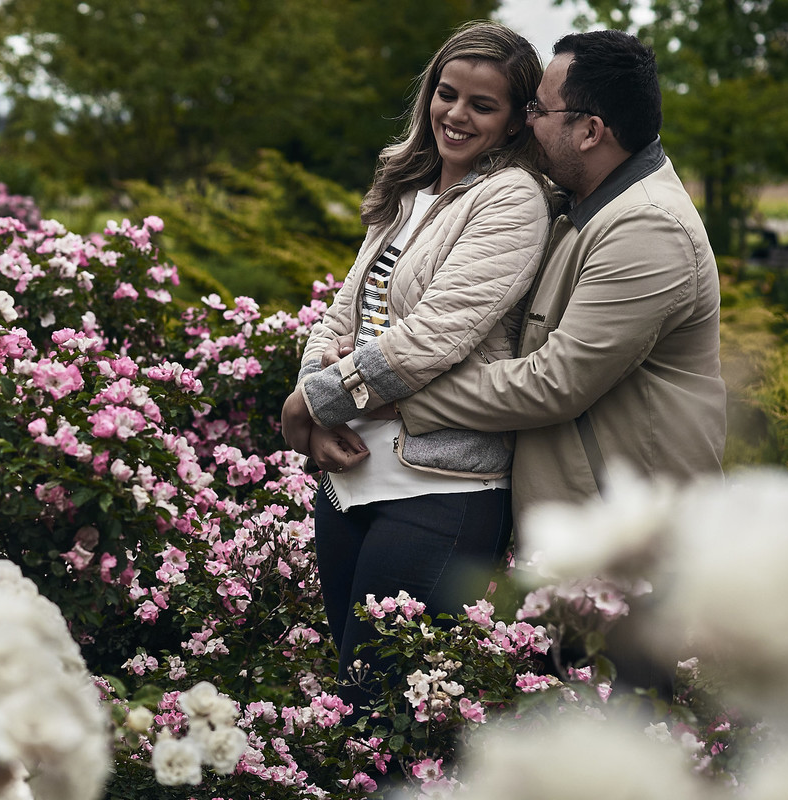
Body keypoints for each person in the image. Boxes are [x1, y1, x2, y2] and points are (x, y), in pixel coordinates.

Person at [303, 30, 728, 698]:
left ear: (590, 130)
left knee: (627, 732)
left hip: (629, 540)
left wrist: (381, 396)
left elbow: (552, 383)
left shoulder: (647, 227)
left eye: (537, 108)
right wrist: (333, 382)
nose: (526, 119)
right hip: (575, 529)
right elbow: (360, 309)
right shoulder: (582, 206)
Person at [279, 20, 551, 716]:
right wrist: (309, 399)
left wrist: (313, 403)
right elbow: (342, 311)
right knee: (353, 701)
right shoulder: (410, 187)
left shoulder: (513, 199)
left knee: (386, 711)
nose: (455, 115)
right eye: (446, 93)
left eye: (481, 105)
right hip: (350, 479)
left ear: (518, 118)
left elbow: (434, 337)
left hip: (440, 487)